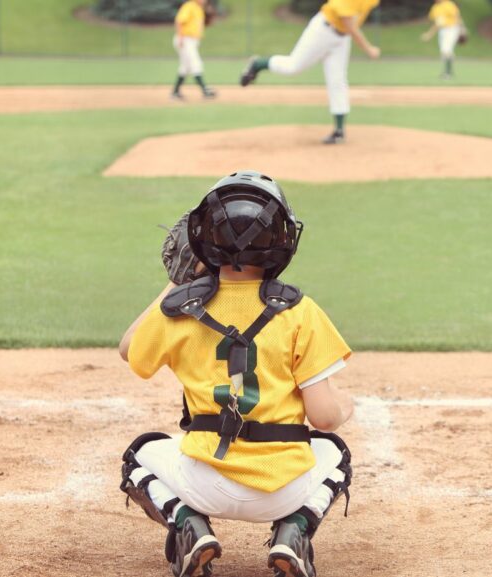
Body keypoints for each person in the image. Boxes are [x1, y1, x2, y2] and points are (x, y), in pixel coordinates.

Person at [118, 170, 355, 577]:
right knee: (334, 452)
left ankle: (187, 523)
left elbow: (129, 349)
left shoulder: (181, 310)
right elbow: (325, 417)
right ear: (283, 240)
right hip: (284, 489)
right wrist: (348, 405)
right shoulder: (300, 311)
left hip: (204, 483)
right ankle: (293, 532)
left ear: (201, 238)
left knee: (140, 454)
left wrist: (176, 285)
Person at [238, 0, 382, 144]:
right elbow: (349, 23)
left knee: (338, 81)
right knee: (292, 67)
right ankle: (257, 64)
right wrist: (368, 49)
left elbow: (355, 19)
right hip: (323, 31)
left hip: (342, 38)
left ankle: (339, 131)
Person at [172, 0, 217, 100]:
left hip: (191, 41)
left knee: (185, 67)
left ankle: (175, 92)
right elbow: (179, 21)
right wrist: (180, 37)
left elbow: (198, 25)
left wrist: (208, 20)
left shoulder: (199, 8)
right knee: (196, 63)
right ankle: (205, 90)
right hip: (185, 39)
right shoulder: (189, 6)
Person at [420, 0, 464, 79]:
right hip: (442, 30)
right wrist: (429, 34)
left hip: (452, 28)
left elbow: (457, 16)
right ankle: (448, 71)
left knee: (446, 50)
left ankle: (448, 73)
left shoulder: (448, 4)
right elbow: (437, 23)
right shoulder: (435, 7)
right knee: (444, 52)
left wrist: (461, 29)